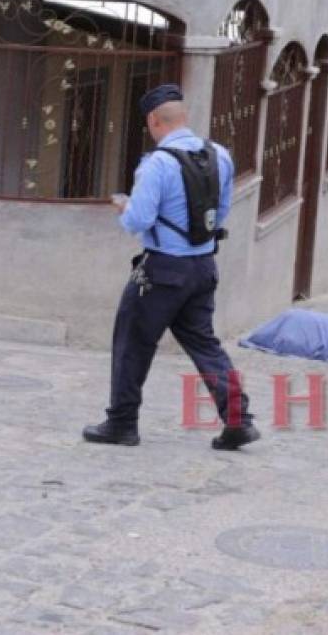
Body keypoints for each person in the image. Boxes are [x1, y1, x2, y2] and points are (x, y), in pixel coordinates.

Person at [82, 84, 258, 451]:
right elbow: (221, 211)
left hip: (162, 269)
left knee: (132, 341)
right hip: (203, 265)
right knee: (205, 344)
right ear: (183, 118)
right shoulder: (219, 155)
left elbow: (138, 220)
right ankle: (239, 420)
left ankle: (121, 422)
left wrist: (123, 207)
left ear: (153, 120)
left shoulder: (157, 164)